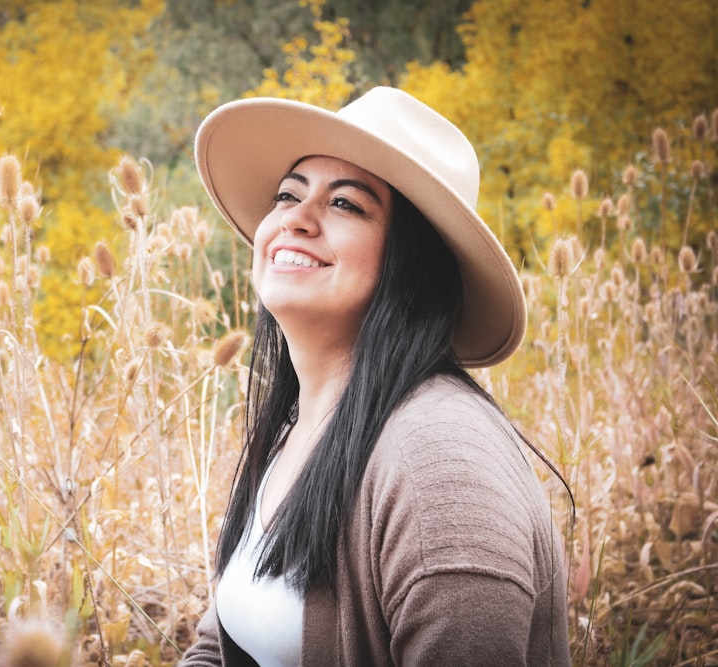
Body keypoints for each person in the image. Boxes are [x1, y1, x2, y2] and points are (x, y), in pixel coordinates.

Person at [182, 87, 570, 666]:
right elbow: (225, 641)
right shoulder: (301, 428)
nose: (296, 219)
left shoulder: (441, 466)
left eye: (345, 204)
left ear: (410, 264)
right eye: (288, 194)